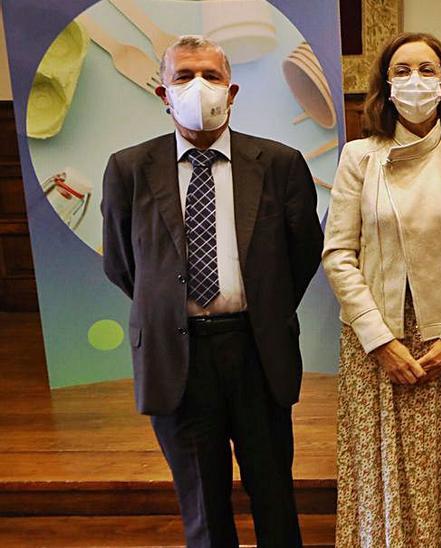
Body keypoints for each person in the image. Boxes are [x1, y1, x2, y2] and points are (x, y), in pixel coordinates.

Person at [101, 35, 322, 547]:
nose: (198, 86)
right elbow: (123, 263)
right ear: (162, 93)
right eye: (183, 76)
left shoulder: (280, 163)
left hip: (256, 350)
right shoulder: (129, 169)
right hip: (178, 355)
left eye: (211, 76)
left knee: (273, 495)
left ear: (232, 90)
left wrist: (261, 308)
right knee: (201, 503)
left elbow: (303, 253)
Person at [321, 33, 441, 546]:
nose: (415, 81)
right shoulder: (360, 156)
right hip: (379, 341)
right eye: (402, 70)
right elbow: (338, 253)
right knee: (384, 475)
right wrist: (378, 339)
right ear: (385, 83)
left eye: (427, 70)